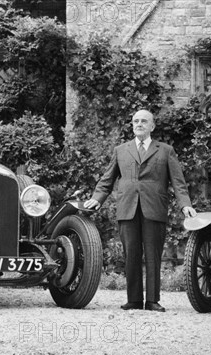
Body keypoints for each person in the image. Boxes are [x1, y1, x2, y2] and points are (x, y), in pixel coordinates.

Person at [84, 109, 196, 312]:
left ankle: (152, 300)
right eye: (135, 121)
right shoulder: (121, 150)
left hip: (154, 207)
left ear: (152, 126)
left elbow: (178, 182)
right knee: (131, 254)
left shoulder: (165, 150)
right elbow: (107, 179)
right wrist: (96, 199)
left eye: (144, 121)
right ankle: (134, 299)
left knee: (153, 255)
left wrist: (185, 204)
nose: (139, 124)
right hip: (127, 208)